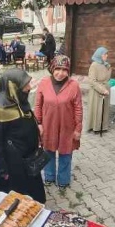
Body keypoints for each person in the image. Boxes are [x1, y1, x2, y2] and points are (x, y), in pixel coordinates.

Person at [0, 68, 46, 203]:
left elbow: (27, 119)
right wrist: (2, 170)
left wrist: (36, 126)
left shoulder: (19, 101)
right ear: (13, 87)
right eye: (25, 85)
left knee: (35, 198)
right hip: (14, 166)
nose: (28, 88)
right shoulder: (1, 110)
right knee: (18, 202)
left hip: (29, 160)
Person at [35, 55, 83, 191]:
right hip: (48, 125)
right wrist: (38, 123)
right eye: (58, 69)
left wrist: (78, 128)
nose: (60, 73)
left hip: (67, 127)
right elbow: (38, 105)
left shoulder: (74, 85)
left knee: (66, 153)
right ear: (52, 68)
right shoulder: (44, 83)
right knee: (48, 152)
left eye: (64, 70)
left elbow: (79, 108)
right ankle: (49, 176)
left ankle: (63, 179)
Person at [86, 47, 112, 133]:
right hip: (97, 90)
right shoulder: (94, 65)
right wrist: (102, 89)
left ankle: (103, 126)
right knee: (97, 109)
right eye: (105, 54)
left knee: (104, 109)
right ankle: (95, 127)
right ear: (99, 55)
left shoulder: (105, 64)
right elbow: (92, 81)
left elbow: (107, 78)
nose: (106, 56)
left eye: (107, 54)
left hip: (105, 88)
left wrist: (109, 68)